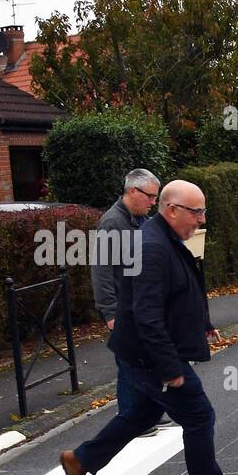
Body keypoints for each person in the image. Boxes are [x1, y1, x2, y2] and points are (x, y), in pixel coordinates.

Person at [60, 181, 238, 475]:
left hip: (142, 354)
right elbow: (146, 315)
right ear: (172, 209)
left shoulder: (164, 238)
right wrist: (170, 369)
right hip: (149, 357)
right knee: (199, 415)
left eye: (203, 211)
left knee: (140, 415)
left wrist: (202, 323)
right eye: (197, 212)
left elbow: (180, 291)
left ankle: (81, 459)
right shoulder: (152, 247)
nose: (201, 220)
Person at [95, 169, 166, 433]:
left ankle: (146, 414)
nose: (152, 202)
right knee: (127, 364)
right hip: (123, 309)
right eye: (149, 197)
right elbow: (101, 270)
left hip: (140, 305)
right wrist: (110, 313)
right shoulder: (112, 223)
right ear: (133, 192)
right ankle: (130, 417)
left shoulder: (139, 220)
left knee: (144, 360)